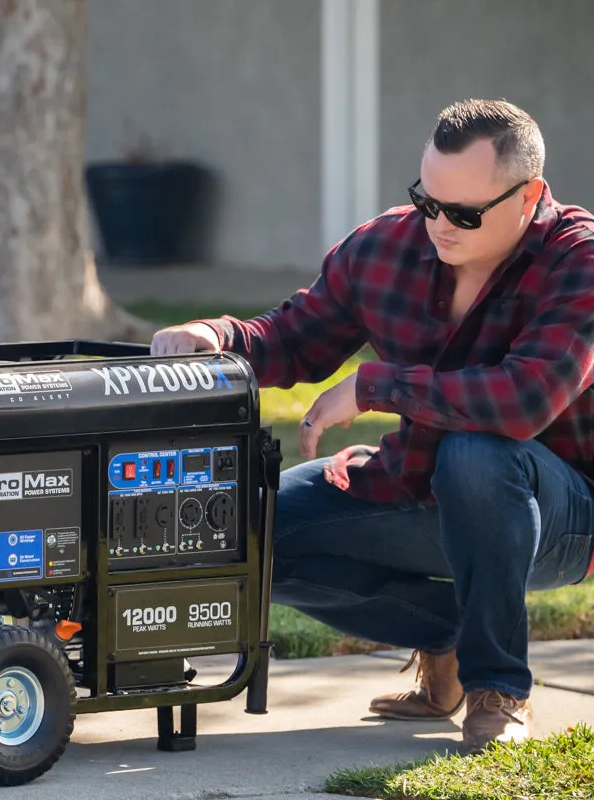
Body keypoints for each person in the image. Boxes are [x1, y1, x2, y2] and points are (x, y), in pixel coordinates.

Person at [151, 98, 594, 756]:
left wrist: (375, 385)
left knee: (478, 452)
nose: (440, 225)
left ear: (528, 197)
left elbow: (525, 401)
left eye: (465, 213)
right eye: (428, 201)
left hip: (553, 513)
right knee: (249, 527)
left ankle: (497, 688)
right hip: (417, 487)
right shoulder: (386, 246)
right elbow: (293, 336)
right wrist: (213, 336)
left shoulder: (577, 261)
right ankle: (444, 633)